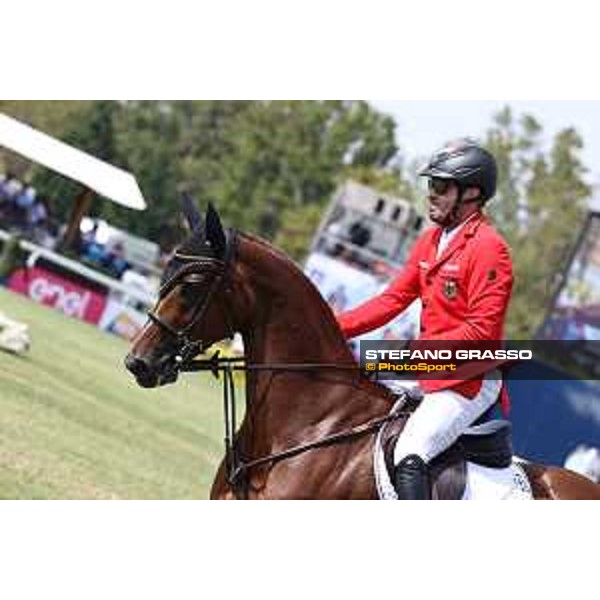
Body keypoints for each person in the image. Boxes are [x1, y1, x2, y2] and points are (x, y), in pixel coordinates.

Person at [337, 138, 514, 499]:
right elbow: (393, 299)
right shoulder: (431, 240)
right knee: (352, 398)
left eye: (440, 186)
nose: (431, 194)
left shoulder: (489, 248)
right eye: (430, 185)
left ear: (472, 193)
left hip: (469, 378)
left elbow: (481, 330)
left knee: (409, 451)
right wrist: (330, 326)